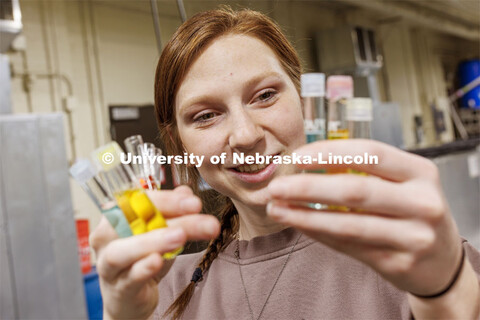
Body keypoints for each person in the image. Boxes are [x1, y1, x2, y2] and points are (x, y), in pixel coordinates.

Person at [90, 7, 480, 320]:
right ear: (180, 143)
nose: (244, 135)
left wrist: (447, 292)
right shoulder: (162, 290)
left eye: (264, 95)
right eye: (206, 116)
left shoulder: (410, 252)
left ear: (304, 100)